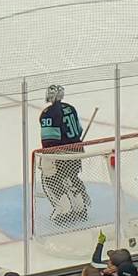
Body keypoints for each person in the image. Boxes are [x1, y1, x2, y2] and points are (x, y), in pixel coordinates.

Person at [38, 85, 89, 227]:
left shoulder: (48, 113)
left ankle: (63, 211)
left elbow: (49, 140)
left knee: (50, 182)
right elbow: (78, 130)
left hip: (61, 154)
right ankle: (80, 209)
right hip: (76, 151)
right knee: (71, 178)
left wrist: (47, 158)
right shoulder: (70, 108)